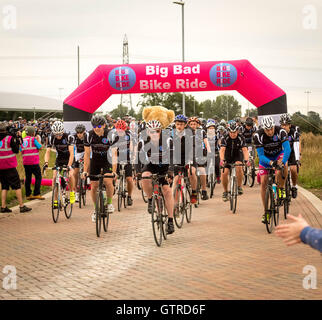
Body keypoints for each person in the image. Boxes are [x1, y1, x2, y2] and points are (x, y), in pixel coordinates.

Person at [137, 120, 175, 234]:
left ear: (160, 131)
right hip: (151, 165)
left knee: (167, 191)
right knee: (145, 176)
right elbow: (137, 159)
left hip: (164, 166)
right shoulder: (143, 142)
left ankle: (170, 220)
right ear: (148, 132)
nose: (154, 134)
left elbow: (173, 157)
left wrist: (170, 171)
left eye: (157, 131)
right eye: (152, 131)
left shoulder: (167, 140)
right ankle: (150, 200)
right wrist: (138, 173)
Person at [253, 116, 291, 223]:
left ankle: (281, 188)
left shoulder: (281, 131)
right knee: (264, 181)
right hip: (265, 158)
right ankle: (266, 212)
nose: (269, 132)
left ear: (274, 126)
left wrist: (282, 162)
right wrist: (271, 163)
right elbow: (260, 156)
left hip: (278, 154)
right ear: (263, 129)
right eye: (267, 130)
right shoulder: (258, 135)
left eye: (271, 129)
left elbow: (287, 148)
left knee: (282, 167)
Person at [83, 115, 117, 222]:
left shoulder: (110, 135)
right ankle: (96, 209)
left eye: (98, 126)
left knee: (107, 180)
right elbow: (87, 155)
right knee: (93, 186)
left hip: (108, 160)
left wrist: (114, 172)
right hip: (96, 161)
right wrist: (85, 170)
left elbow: (114, 154)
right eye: (94, 126)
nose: (96, 128)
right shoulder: (88, 135)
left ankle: (110, 203)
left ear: (103, 125)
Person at [0, 122, 32, 213]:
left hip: (0, 167)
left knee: (4, 186)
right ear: (6, 129)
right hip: (9, 166)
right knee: (17, 185)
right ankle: (21, 206)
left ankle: (3, 206)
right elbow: (16, 150)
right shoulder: (9, 138)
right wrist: (17, 139)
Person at [44, 121, 76, 207]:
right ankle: (55, 201)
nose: (58, 136)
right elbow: (47, 152)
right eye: (56, 134)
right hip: (60, 159)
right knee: (54, 178)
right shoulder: (51, 138)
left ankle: (72, 192)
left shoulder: (69, 137)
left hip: (69, 158)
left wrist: (69, 166)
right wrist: (46, 163)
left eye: (60, 134)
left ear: (63, 131)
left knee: (69, 175)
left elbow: (72, 153)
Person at [220, 121, 249, 201]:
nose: (233, 134)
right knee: (224, 172)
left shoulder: (241, 137)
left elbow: (245, 150)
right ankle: (225, 192)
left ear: (237, 131)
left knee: (239, 167)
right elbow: (222, 150)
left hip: (237, 155)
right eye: (231, 132)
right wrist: (222, 160)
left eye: (235, 132)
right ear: (228, 131)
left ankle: (239, 187)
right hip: (227, 156)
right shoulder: (225, 137)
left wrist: (246, 160)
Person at [111, 119, 134, 206]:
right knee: (113, 175)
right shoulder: (114, 136)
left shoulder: (129, 135)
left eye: (122, 130)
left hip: (127, 157)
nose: (120, 132)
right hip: (117, 156)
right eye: (118, 130)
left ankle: (129, 196)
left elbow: (132, 147)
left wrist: (132, 157)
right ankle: (113, 186)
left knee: (129, 179)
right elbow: (114, 151)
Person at [279, 113, 301, 198]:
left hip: (292, 152)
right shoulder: (278, 132)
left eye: (286, 125)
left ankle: (294, 186)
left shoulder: (294, 132)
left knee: (293, 169)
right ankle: (281, 188)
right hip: (282, 153)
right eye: (282, 125)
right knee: (282, 168)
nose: (284, 127)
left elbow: (296, 146)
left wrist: (298, 158)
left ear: (289, 125)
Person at [21, 126, 45, 200]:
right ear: (33, 133)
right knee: (38, 177)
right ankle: (36, 193)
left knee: (28, 178)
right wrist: (39, 141)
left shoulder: (23, 140)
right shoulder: (33, 139)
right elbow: (40, 147)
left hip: (26, 162)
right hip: (34, 162)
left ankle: (28, 194)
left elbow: (21, 149)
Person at [70, 124, 88, 202]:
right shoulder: (74, 137)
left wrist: (86, 157)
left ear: (84, 132)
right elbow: (72, 149)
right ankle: (76, 193)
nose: (79, 134)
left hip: (87, 152)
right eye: (78, 132)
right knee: (75, 173)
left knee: (88, 165)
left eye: (81, 133)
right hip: (78, 154)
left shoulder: (87, 136)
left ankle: (87, 178)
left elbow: (89, 150)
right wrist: (76, 158)